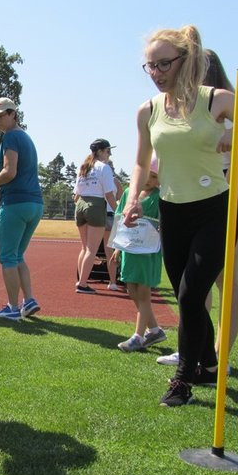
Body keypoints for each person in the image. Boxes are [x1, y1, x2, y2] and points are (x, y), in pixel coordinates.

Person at [124, 25, 238, 407]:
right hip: (173, 210)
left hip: (217, 208)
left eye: (164, 64)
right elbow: (142, 161)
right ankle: (208, 365)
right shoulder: (148, 110)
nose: (157, 72)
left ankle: (183, 381)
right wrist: (132, 199)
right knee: (185, 296)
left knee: (193, 294)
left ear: (185, 60)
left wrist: (237, 130)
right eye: (150, 66)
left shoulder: (218, 100)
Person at [157, 49, 238, 368]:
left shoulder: (225, 105)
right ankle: (193, 349)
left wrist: (227, 206)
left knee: (226, 279)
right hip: (185, 200)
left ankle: (221, 353)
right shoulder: (179, 107)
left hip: (222, 199)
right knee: (191, 281)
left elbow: (237, 166)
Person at [0, 97, 44, 320]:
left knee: (8, 256)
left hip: (15, 204)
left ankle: (12, 307)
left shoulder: (11, 136)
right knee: (17, 256)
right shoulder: (24, 137)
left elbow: (9, 171)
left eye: (0, 115)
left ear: (13, 114)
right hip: (34, 204)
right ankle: (29, 301)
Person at [114, 154, 167, 351]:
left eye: (154, 176)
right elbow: (120, 219)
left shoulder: (160, 197)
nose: (149, 180)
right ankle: (154, 330)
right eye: (147, 174)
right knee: (131, 289)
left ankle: (138, 335)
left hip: (148, 252)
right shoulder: (129, 193)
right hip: (130, 249)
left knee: (144, 292)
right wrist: (118, 249)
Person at [73, 139, 118, 294]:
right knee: (92, 250)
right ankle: (83, 284)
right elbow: (109, 195)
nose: (109, 154)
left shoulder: (84, 167)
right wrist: (118, 212)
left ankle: (80, 280)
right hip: (96, 206)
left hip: (81, 206)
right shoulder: (104, 168)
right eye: (107, 151)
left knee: (85, 248)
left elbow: (76, 196)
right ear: (100, 151)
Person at [103, 159, 123, 291]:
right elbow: (120, 199)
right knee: (110, 248)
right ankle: (113, 281)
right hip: (111, 215)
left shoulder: (101, 178)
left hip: (100, 214)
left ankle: (82, 279)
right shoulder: (115, 181)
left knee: (89, 249)